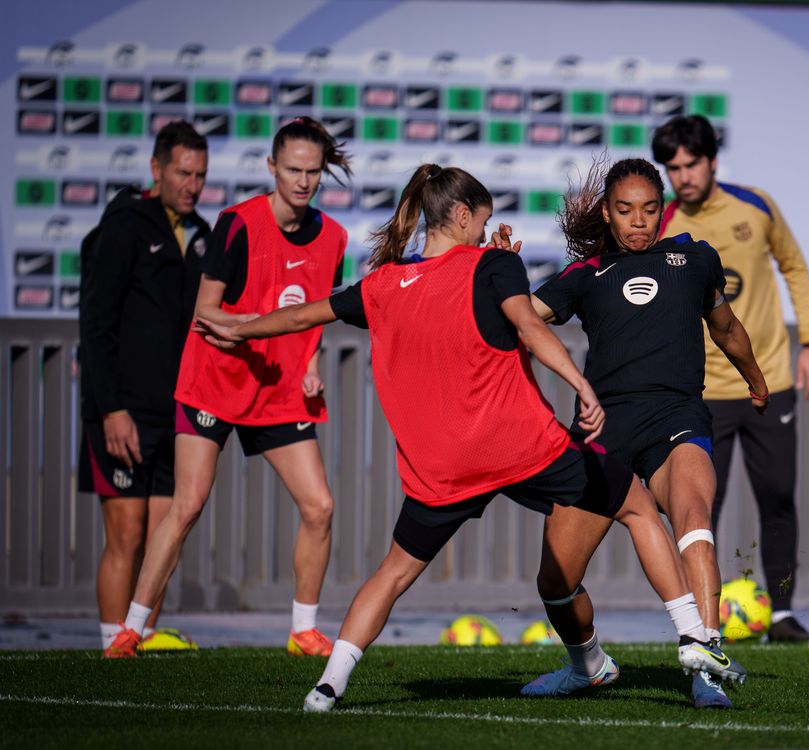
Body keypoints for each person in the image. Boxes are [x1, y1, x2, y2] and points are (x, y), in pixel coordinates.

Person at [193, 164, 731, 712]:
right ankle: (693, 638)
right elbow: (528, 326)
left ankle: (327, 686)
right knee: (638, 509)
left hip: (441, 468)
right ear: (463, 215)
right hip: (518, 447)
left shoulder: (383, 283)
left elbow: (304, 315)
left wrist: (239, 326)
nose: (486, 231)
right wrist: (578, 383)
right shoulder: (493, 265)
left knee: (393, 572)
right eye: (484, 220)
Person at [521, 157, 770, 709]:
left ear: (664, 210)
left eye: (650, 209)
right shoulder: (583, 276)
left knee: (694, 522)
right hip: (602, 430)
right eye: (626, 210)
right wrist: (497, 269)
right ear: (606, 214)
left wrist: (756, 380)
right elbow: (522, 321)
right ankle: (587, 666)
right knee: (554, 582)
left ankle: (706, 664)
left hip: (676, 418)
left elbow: (726, 328)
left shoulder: (694, 260)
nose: (639, 221)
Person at [104, 117, 351, 658]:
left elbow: (312, 316)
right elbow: (204, 313)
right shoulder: (237, 224)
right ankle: (131, 629)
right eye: (293, 170)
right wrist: (254, 329)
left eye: (313, 171)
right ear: (272, 167)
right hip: (214, 382)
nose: (304, 181)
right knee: (187, 505)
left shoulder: (333, 237)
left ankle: (303, 630)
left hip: (280, 390)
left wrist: (308, 361)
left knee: (321, 506)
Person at [652, 115, 809, 642]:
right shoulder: (660, 223)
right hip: (701, 393)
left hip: (768, 381)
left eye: (691, 164)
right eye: (673, 168)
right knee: (701, 508)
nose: (682, 176)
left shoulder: (757, 206)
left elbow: (794, 267)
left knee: (778, 495)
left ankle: (783, 614)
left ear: (712, 161)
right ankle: (699, 622)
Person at [79, 120, 210, 656]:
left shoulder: (203, 234)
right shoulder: (124, 226)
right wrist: (111, 408)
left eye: (200, 174)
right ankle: (113, 641)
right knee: (127, 534)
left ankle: (143, 637)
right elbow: (96, 323)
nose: (192, 184)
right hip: (122, 410)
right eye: (183, 172)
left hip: (176, 411)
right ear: (156, 170)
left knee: (163, 537)